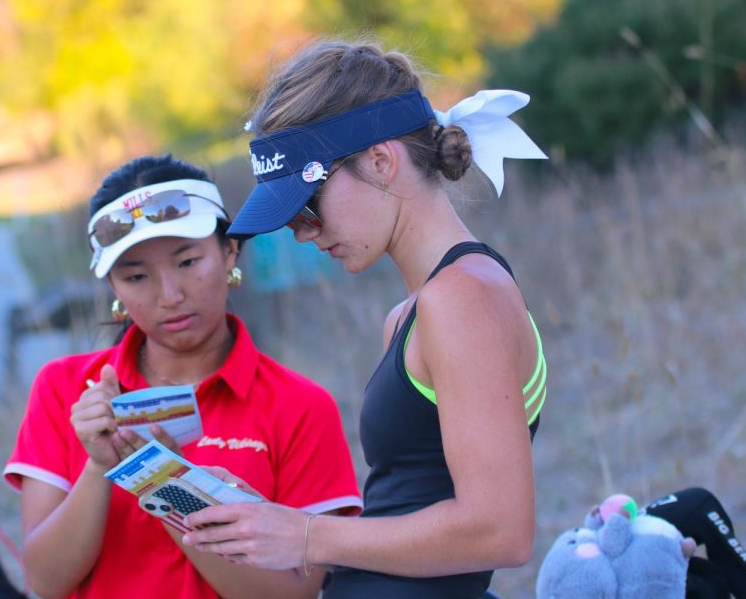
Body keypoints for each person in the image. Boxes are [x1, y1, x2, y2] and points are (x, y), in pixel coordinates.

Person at [181, 41, 550, 598]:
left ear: (381, 162)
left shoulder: (464, 298)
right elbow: (408, 509)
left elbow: (500, 530)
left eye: (309, 204)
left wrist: (308, 535)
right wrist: (271, 520)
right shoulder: (412, 313)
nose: (302, 232)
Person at [3, 155, 362, 599]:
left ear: (229, 251)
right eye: (136, 276)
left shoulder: (300, 405)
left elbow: (295, 593)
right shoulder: (65, 388)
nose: (170, 296)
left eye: (188, 262)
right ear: (114, 288)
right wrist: (100, 466)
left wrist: (162, 481)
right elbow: (45, 581)